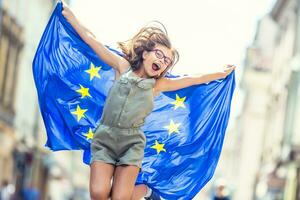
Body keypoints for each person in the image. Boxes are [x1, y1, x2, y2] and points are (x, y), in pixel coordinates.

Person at [61, 2, 236, 200]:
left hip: (132, 144)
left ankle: (144, 190)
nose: (161, 61)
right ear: (145, 54)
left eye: (166, 61)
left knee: (119, 199)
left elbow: (192, 79)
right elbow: (93, 41)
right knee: (99, 194)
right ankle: (140, 191)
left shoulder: (158, 85)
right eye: (158, 55)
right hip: (104, 138)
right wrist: (70, 16)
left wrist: (220, 73)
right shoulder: (122, 66)